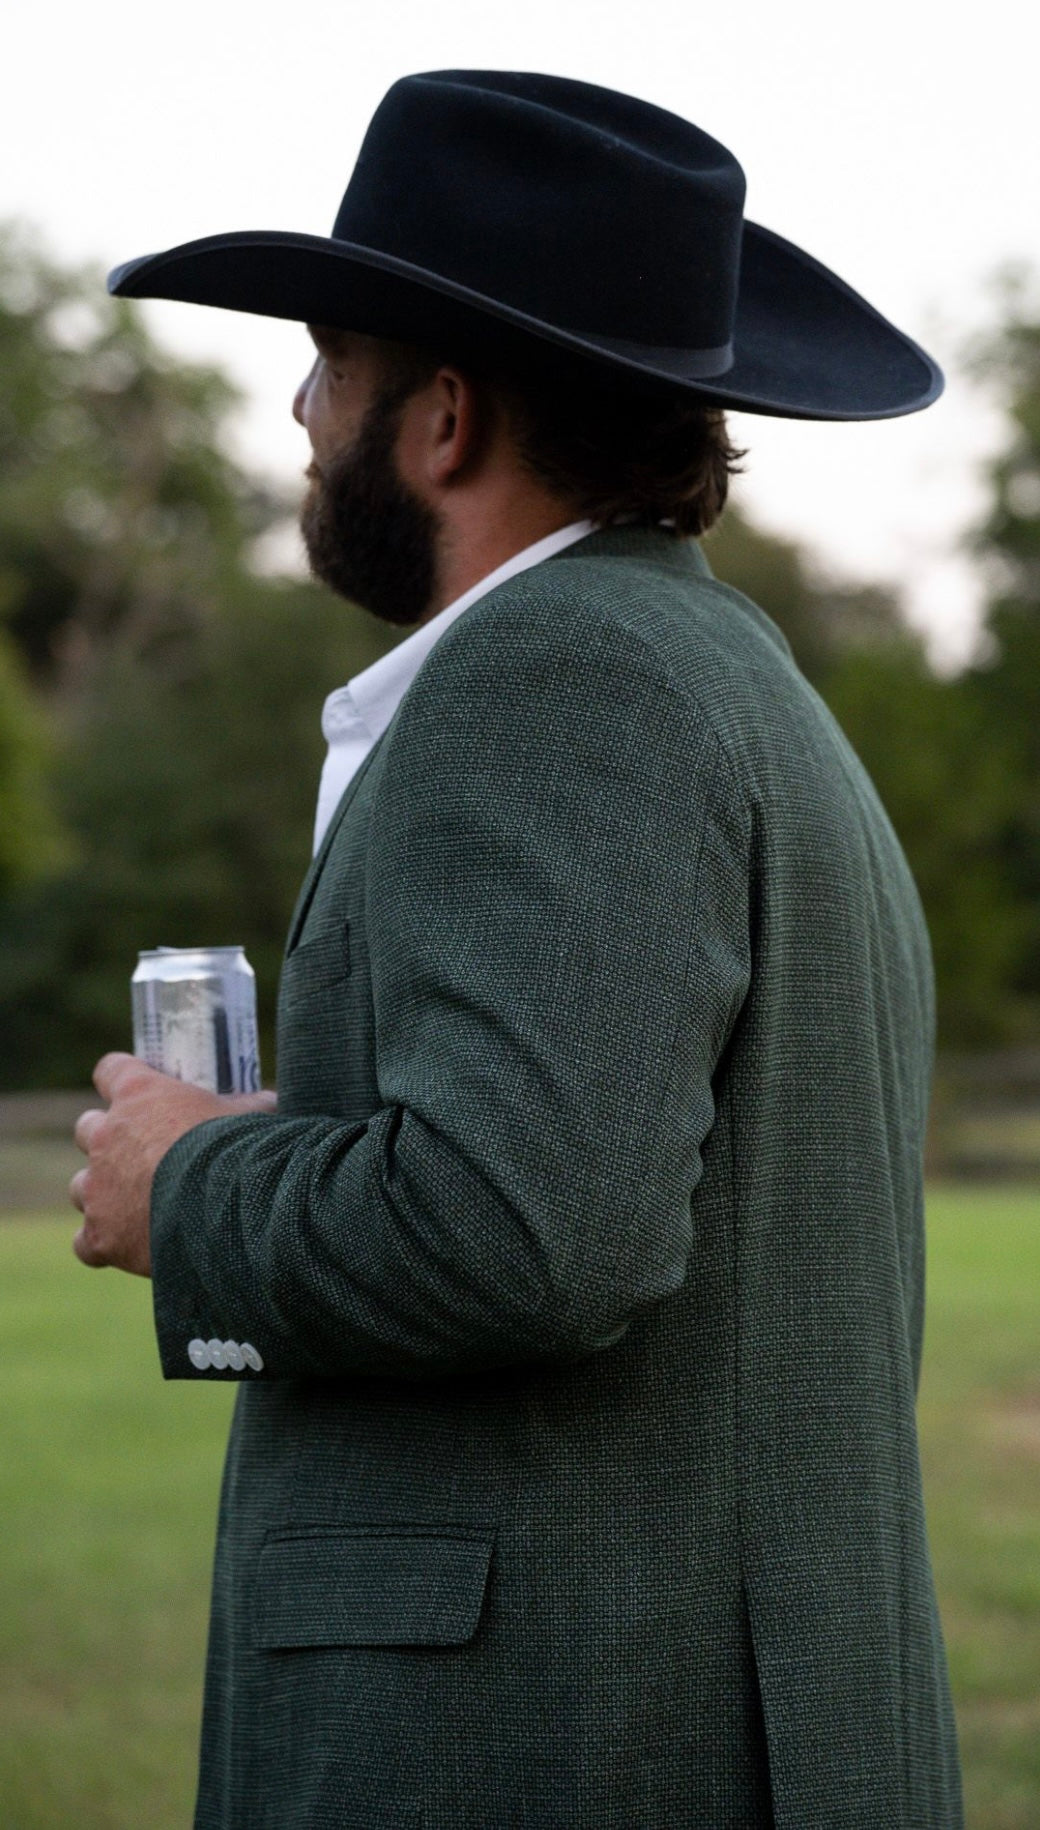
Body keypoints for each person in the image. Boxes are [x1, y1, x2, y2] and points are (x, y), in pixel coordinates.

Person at [71, 69, 963, 1829]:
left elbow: (526, 1228)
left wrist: (184, 1190)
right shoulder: (725, 677)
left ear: (447, 417)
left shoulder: (561, 678)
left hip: (564, 1741)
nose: (303, 413)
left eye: (331, 362)